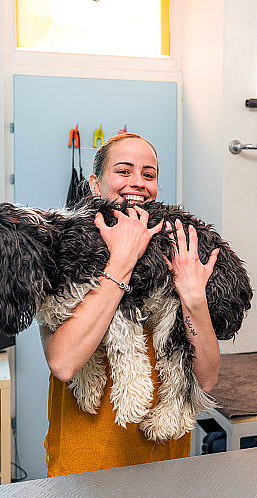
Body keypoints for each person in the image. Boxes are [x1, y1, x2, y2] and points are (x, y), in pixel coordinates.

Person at [41, 133, 221, 476]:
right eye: (124, 171)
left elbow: (208, 377)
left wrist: (194, 296)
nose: (137, 183)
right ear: (95, 183)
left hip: (163, 462)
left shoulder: (176, 251)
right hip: (86, 466)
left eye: (149, 174)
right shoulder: (63, 254)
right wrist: (122, 261)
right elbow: (63, 363)